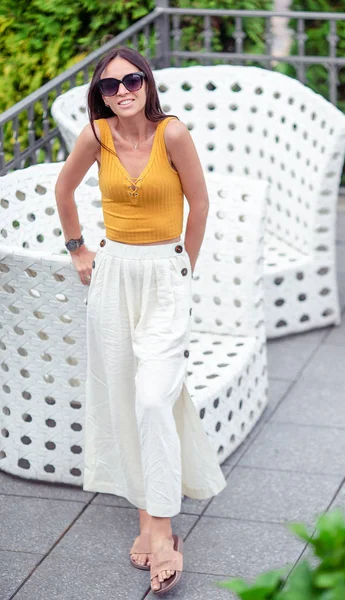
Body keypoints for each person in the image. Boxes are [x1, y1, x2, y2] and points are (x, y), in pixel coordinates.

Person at [55, 46, 226, 595]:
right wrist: (79, 249)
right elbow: (63, 190)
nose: (124, 91)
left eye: (133, 80)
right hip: (113, 274)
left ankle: (159, 525)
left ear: (148, 84)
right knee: (127, 396)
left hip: (164, 274)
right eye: (111, 86)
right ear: (100, 95)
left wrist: (184, 269)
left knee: (154, 395)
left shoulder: (172, 133)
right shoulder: (96, 136)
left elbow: (199, 205)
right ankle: (155, 525)